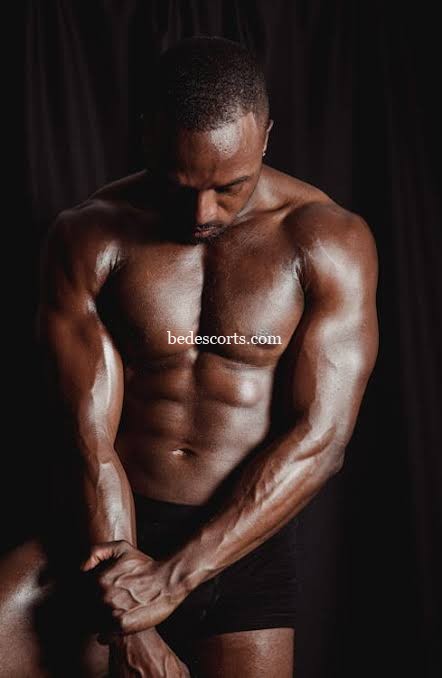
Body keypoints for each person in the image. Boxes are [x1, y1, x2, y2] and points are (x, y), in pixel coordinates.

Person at [0, 36, 378, 677]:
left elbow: (322, 438)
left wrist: (171, 580)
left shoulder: (325, 239)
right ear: (147, 136)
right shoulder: (89, 235)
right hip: (103, 533)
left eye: (230, 187)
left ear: (266, 138)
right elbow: (87, 439)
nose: (203, 212)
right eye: (179, 185)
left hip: (243, 545)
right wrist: (132, 625)